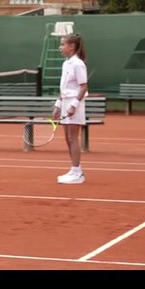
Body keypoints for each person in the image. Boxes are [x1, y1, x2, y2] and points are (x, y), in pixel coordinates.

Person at [53, 33, 89, 184]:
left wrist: (74, 106)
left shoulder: (78, 64)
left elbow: (84, 86)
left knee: (73, 138)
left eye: (63, 44)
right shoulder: (66, 63)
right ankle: (75, 170)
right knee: (68, 138)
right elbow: (64, 88)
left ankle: (77, 173)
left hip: (75, 104)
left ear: (72, 46)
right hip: (66, 102)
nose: (60, 48)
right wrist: (58, 105)